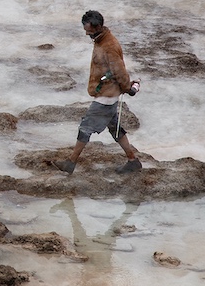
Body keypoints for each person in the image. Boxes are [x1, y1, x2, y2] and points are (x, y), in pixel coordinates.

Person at [53, 10, 142, 175]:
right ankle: (132, 161)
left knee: (85, 128)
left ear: (99, 26)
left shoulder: (109, 46)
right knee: (115, 128)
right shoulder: (101, 40)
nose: (86, 33)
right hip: (107, 93)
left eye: (89, 30)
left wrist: (127, 88)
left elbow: (120, 71)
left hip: (106, 96)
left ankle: (70, 163)